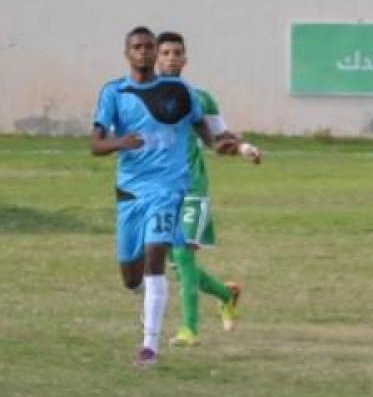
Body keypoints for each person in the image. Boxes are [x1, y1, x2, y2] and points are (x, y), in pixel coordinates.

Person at [90, 26, 237, 366]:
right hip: (130, 193)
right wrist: (120, 142)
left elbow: (201, 126)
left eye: (149, 47)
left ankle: (149, 347)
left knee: (156, 254)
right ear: (127, 53)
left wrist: (217, 145)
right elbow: (95, 144)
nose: (143, 52)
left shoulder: (179, 91)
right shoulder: (114, 92)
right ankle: (147, 300)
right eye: (137, 47)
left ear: (155, 52)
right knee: (131, 278)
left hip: (169, 189)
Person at [155, 31, 263, 347]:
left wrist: (243, 148)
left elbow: (220, 137)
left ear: (185, 59)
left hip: (193, 187)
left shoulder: (200, 99)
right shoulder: (141, 97)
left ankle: (189, 330)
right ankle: (227, 294)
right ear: (155, 58)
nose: (171, 58)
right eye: (165, 53)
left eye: (177, 53)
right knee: (178, 265)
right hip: (159, 191)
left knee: (182, 253)